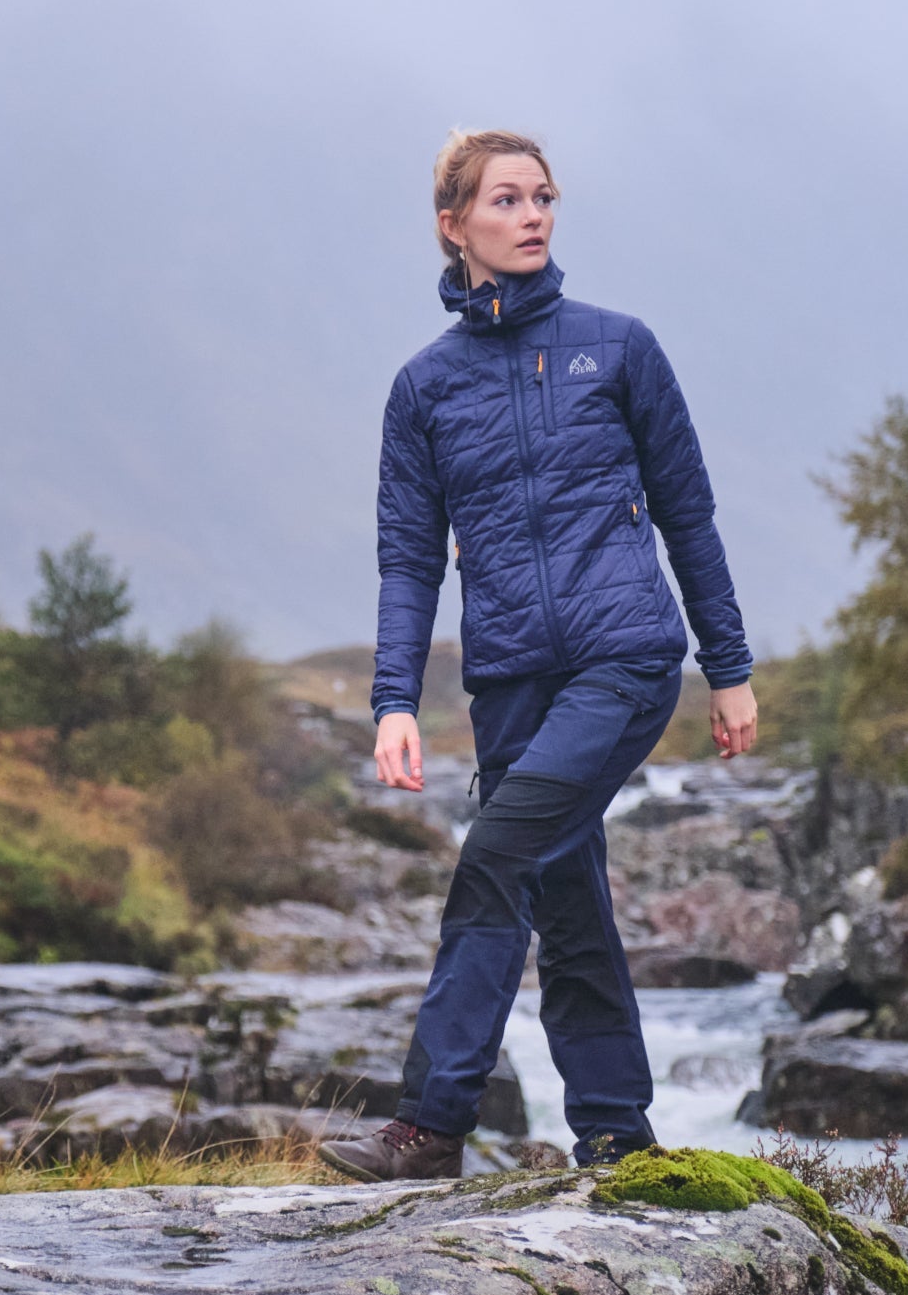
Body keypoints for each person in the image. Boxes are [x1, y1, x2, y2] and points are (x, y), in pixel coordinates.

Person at [319, 129, 758, 1183]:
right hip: (509, 679)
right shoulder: (424, 391)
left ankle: (430, 1122)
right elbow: (409, 559)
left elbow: (688, 517)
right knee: (565, 892)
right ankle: (615, 1132)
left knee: (497, 856)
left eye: (544, 198)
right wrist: (394, 700)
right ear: (453, 223)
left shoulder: (619, 349)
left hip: (624, 660)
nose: (532, 216)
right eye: (507, 200)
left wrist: (727, 667)